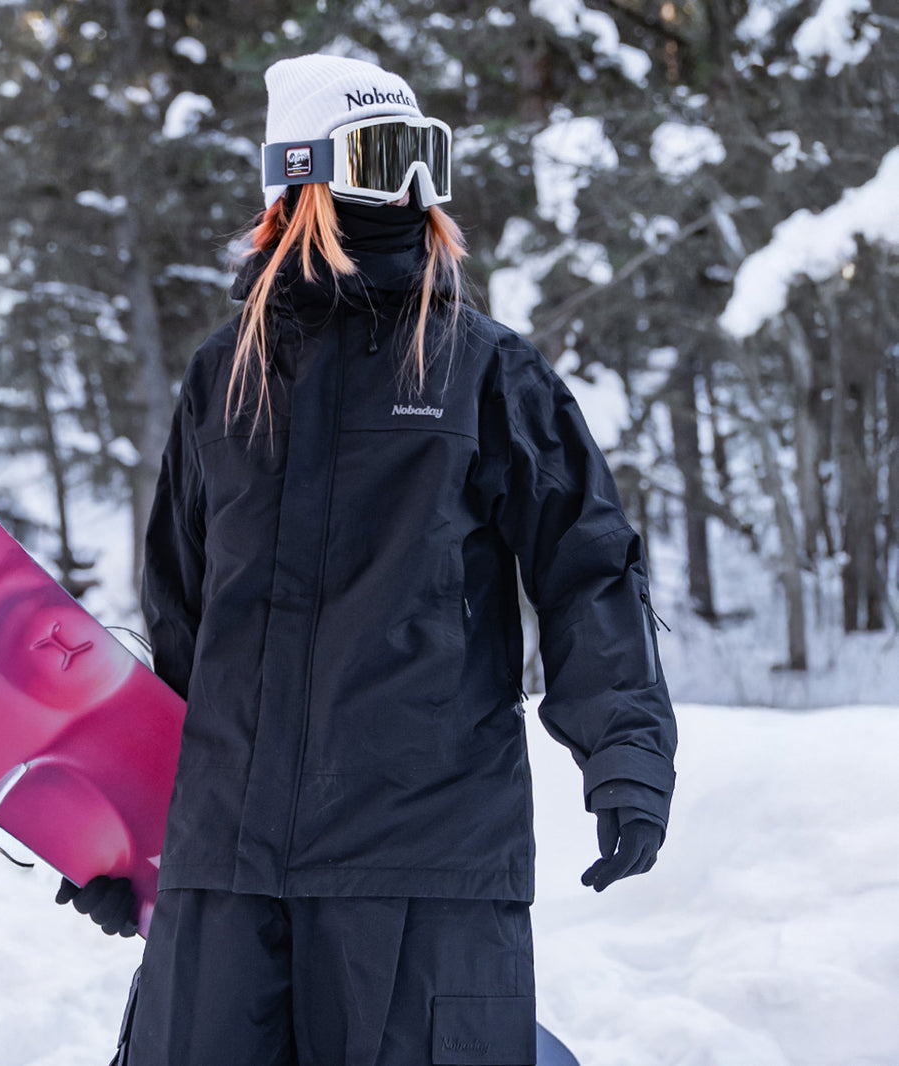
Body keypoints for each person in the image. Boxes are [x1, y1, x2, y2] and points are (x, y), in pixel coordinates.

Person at [59, 52, 677, 1065]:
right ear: (300, 173)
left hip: (421, 867)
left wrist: (627, 752)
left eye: (426, 157)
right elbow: (180, 622)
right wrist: (122, 824)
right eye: (385, 158)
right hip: (228, 872)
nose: (413, 189)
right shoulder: (225, 375)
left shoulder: (481, 368)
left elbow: (589, 568)